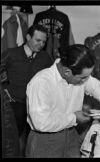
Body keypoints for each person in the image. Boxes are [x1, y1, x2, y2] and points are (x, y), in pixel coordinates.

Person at [25, 44, 100, 158]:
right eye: (83, 78)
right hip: (45, 141)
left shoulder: (78, 74)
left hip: (70, 135)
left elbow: (95, 86)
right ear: (67, 72)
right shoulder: (41, 83)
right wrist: (74, 117)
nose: (86, 80)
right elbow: (41, 123)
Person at [0, 24, 53, 157]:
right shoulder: (11, 54)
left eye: (44, 41)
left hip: (36, 106)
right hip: (13, 105)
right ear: (28, 37)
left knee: (33, 141)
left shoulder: (45, 57)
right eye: (38, 40)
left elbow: (53, 78)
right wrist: (5, 92)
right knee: (11, 140)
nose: (41, 44)